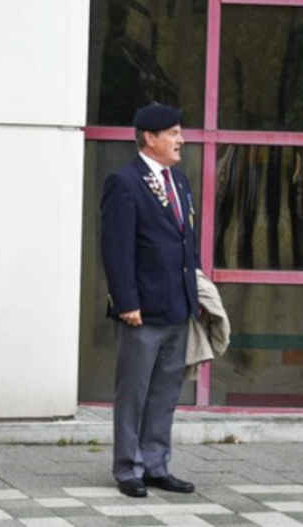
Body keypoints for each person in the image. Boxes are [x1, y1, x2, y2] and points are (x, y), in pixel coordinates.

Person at [100, 103, 199, 498]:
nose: (181, 140)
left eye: (180, 132)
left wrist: (198, 292)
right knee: (134, 392)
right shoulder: (124, 182)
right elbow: (116, 248)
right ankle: (128, 468)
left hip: (178, 307)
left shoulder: (180, 181)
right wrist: (126, 302)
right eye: (173, 133)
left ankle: (157, 464)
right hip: (141, 310)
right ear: (150, 138)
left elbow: (185, 242)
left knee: (165, 392)